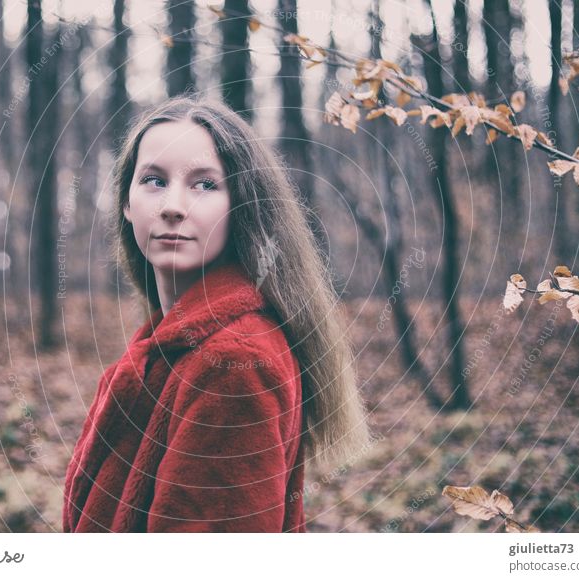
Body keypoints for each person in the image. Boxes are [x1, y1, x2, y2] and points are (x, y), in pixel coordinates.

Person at [62, 95, 372, 532]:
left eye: (205, 184)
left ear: (240, 206)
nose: (172, 205)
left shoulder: (233, 363)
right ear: (126, 205)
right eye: (153, 180)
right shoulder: (170, 345)